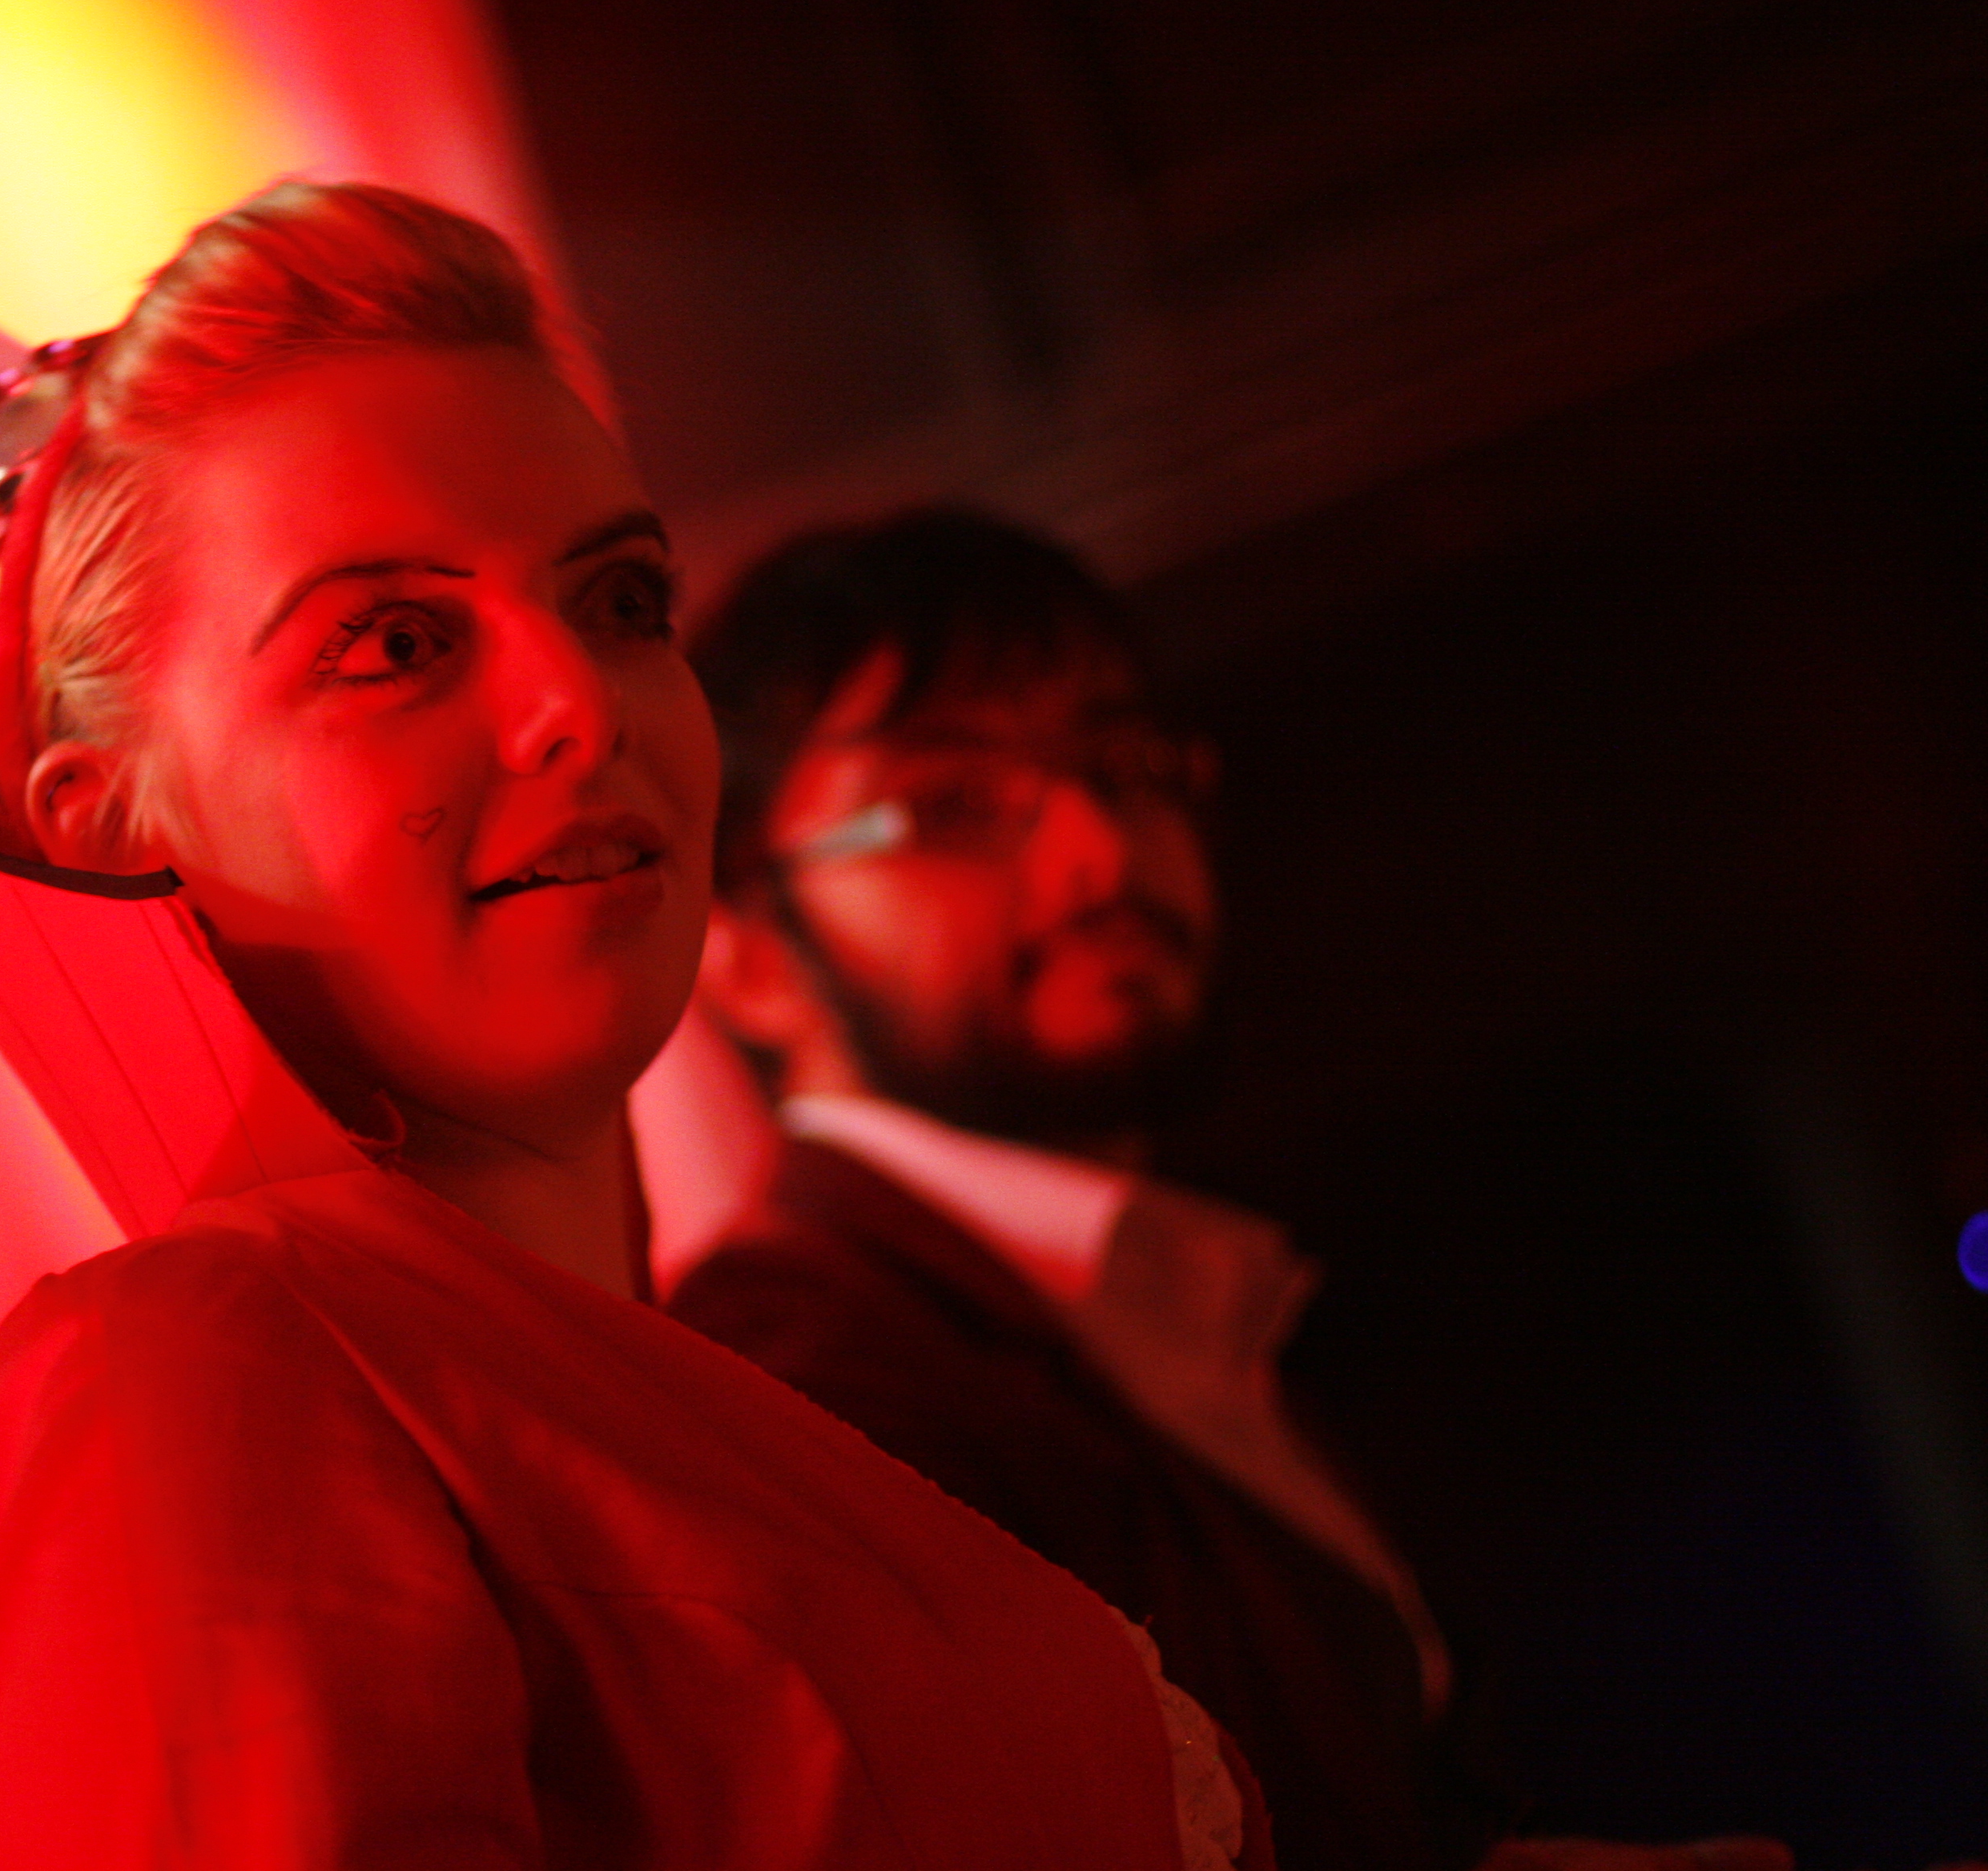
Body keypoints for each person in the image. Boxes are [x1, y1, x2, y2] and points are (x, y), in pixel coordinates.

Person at [0, 184, 1268, 1869]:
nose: (579, 704)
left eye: (623, 601)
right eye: (393, 641)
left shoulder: (690, 1396)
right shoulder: (193, 1364)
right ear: (113, 824)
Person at [666, 511, 1790, 1871]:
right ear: (745, 951)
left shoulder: (1150, 1296)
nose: (1097, 851)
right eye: (953, 805)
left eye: (1123, 764)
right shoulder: (807, 1383)